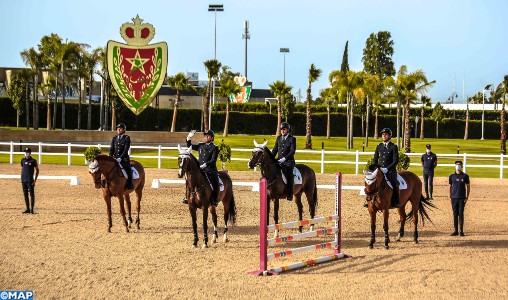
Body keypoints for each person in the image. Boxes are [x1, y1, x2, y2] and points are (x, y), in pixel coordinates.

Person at [184, 129, 220, 207]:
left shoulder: (214, 147)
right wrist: (189, 138)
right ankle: (187, 196)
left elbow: (213, 160)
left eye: (208, 136)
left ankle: (215, 199)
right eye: (206, 136)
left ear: (212, 138)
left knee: (216, 182)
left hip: (210, 170)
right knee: (188, 180)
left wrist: (205, 165)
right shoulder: (201, 145)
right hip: (200, 170)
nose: (206, 137)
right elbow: (189, 146)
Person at [372, 128, 399, 208]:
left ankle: (396, 201)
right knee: (371, 183)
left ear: (390, 136)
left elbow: (395, 161)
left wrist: (387, 169)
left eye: (386, 134)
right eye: (383, 134)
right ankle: (369, 199)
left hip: (390, 171)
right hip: (380, 170)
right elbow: (375, 159)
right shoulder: (379, 146)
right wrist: (375, 168)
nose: (384, 136)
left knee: (395, 183)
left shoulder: (393, 147)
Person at [271, 122, 296, 201]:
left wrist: (284, 158)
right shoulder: (278, 138)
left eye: (284, 129)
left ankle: (290, 193)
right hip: (279, 161)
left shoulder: (292, 139)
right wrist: (271, 158)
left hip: (288, 161)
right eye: (281, 129)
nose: (282, 131)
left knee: (289, 176)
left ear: (288, 130)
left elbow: (292, 151)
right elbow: (275, 150)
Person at [449, 160, 470, 236]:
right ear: (455, 166)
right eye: (457, 165)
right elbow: (450, 187)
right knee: (455, 214)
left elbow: (468, 186)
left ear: (462, 166)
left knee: (461, 214)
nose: (458, 166)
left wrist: (467, 197)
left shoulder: (465, 176)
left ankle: (461, 230)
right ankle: (455, 230)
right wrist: (450, 196)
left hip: (461, 198)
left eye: (459, 165)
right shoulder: (451, 176)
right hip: (454, 198)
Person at [109, 123, 134, 190]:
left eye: (120, 128)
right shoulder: (114, 138)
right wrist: (110, 157)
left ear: (123, 130)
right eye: (118, 128)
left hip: (124, 158)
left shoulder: (126, 138)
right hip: (115, 158)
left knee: (128, 169)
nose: (119, 130)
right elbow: (112, 149)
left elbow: (126, 149)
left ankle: (130, 184)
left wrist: (121, 158)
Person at [21, 147, 39, 214]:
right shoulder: (22, 160)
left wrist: (35, 180)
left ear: (30, 153)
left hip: (30, 180)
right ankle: (27, 208)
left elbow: (37, 170)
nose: (26, 153)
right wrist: (21, 178)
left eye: (27, 152)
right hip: (24, 180)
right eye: (25, 152)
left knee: (32, 194)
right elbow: (22, 169)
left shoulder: (33, 161)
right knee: (25, 194)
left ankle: (32, 209)